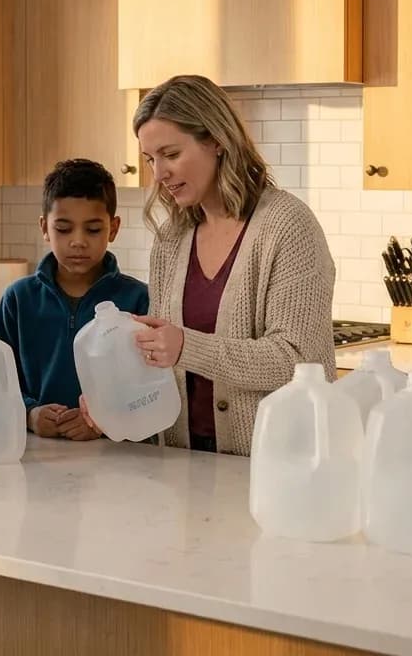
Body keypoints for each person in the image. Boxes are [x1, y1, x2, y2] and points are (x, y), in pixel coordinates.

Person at [84, 75, 335, 455]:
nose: (159, 174)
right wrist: (114, 402)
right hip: (186, 463)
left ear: (216, 140)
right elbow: (165, 367)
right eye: (151, 159)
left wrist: (186, 346)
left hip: (276, 465)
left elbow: (298, 362)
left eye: (171, 154)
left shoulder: (287, 226)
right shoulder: (171, 239)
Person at [0, 159, 149, 441]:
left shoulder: (139, 300)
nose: (78, 241)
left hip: (118, 460)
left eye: (93, 229)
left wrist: (102, 421)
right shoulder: (17, 299)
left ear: (113, 228)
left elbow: (148, 391)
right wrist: (29, 414)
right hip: (35, 457)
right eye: (64, 229)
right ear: (44, 227)